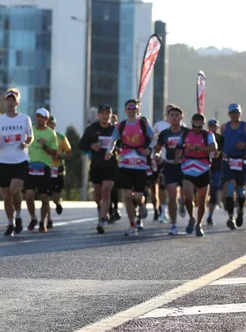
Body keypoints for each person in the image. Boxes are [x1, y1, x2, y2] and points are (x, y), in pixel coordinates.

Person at [105, 99, 155, 235]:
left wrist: (149, 149)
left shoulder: (143, 124)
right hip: (125, 164)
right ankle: (132, 224)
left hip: (140, 165)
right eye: (129, 109)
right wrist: (109, 151)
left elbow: (154, 139)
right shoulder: (120, 126)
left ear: (137, 110)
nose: (132, 111)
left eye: (134, 109)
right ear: (125, 110)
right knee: (127, 195)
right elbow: (113, 140)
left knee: (138, 196)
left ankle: (142, 204)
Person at [0, 88, 34, 236]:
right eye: (8, 100)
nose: (10, 102)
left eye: (13, 100)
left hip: (20, 160)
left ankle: (19, 216)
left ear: (18, 102)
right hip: (3, 160)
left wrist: (26, 143)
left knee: (15, 190)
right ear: (5, 102)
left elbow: (30, 137)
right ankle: (11, 222)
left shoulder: (24, 118)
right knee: (6, 195)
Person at [79, 104, 118, 234]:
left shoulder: (115, 130)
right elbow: (81, 144)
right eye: (102, 113)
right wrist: (91, 146)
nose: (104, 116)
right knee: (98, 195)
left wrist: (118, 149)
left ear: (110, 115)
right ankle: (101, 209)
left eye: (107, 113)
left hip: (110, 165)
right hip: (96, 165)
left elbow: (123, 144)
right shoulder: (92, 129)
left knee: (106, 192)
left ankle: (101, 220)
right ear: (98, 115)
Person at [176, 113, 217, 237]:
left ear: (203, 125)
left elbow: (214, 147)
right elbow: (178, 148)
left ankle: (198, 223)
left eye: (199, 126)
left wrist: (199, 148)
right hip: (187, 167)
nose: (196, 128)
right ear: (191, 123)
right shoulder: (185, 134)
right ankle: (191, 218)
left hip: (203, 168)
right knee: (188, 197)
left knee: (201, 200)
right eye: (194, 125)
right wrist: (178, 157)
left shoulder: (208, 135)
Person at [153, 106, 188, 235]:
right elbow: (157, 148)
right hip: (169, 166)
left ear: (181, 117)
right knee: (172, 196)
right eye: (171, 115)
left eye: (176, 115)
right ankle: (174, 224)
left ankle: (185, 206)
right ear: (168, 117)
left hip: (184, 166)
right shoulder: (164, 133)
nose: (174, 117)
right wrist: (156, 157)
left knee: (187, 194)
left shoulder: (187, 132)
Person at [23, 108, 57, 232]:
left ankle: (43, 221)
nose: (40, 119)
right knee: (29, 195)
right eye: (38, 116)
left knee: (44, 197)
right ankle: (33, 218)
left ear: (46, 119)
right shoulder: (29, 129)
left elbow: (54, 153)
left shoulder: (50, 133)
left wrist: (44, 146)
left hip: (44, 167)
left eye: (42, 117)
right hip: (30, 166)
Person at [220, 103, 246, 230]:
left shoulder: (245, 126)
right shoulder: (224, 127)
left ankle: (240, 210)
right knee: (230, 188)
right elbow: (220, 142)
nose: (234, 115)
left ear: (240, 113)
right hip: (228, 161)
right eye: (232, 113)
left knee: (240, 191)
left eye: (236, 112)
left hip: (242, 161)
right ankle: (231, 217)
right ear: (229, 114)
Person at [47, 116, 72, 225]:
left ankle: (57, 203)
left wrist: (60, 156)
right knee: (46, 195)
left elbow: (69, 153)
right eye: (48, 123)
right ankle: (48, 219)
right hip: (45, 168)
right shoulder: (42, 137)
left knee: (55, 196)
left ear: (55, 125)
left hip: (58, 169)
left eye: (51, 124)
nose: (50, 126)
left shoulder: (61, 137)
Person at [206, 118, 225, 225]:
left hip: (217, 166)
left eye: (214, 126)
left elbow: (225, 149)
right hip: (205, 166)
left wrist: (219, 153)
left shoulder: (221, 138)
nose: (213, 128)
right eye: (211, 126)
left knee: (214, 187)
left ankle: (210, 216)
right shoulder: (204, 136)